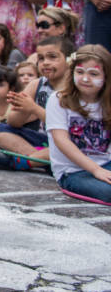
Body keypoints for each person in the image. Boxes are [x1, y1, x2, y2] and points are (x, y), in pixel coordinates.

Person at [0, 35, 74, 171]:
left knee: (73, 144)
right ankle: (40, 160)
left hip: (68, 140)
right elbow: (13, 123)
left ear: (69, 60)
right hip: (43, 141)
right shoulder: (37, 84)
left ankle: (26, 161)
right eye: (41, 58)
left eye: (52, 57)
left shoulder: (74, 87)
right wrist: (22, 108)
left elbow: (70, 128)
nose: (45, 62)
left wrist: (35, 109)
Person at [46, 44, 111, 203]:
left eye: (94, 74)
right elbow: (61, 141)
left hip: (107, 165)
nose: (85, 79)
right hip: (73, 172)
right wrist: (95, 170)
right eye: (79, 72)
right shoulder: (59, 99)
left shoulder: (107, 102)